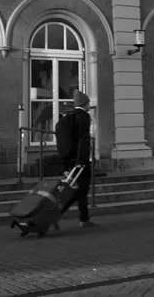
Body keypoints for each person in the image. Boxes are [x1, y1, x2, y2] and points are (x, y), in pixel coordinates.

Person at [60, 90, 96, 228]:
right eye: (88, 103)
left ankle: (84, 218)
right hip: (80, 160)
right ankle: (57, 212)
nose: (89, 105)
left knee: (80, 189)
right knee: (80, 190)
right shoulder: (83, 116)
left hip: (70, 159)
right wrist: (82, 160)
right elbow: (83, 139)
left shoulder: (69, 116)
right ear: (84, 104)